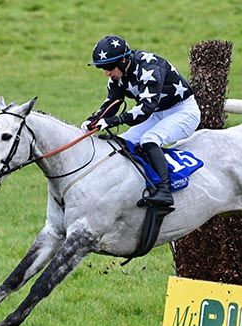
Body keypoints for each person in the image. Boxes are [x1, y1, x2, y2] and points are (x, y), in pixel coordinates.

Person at [82, 35, 201, 207]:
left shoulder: (150, 68)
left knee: (149, 139)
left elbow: (145, 108)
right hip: (157, 113)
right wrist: (93, 120)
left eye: (109, 67)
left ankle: (164, 190)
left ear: (123, 60)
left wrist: (114, 121)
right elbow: (112, 102)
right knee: (123, 143)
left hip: (183, 112)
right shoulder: (117, 76)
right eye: (103, 68)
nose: (107, 73)